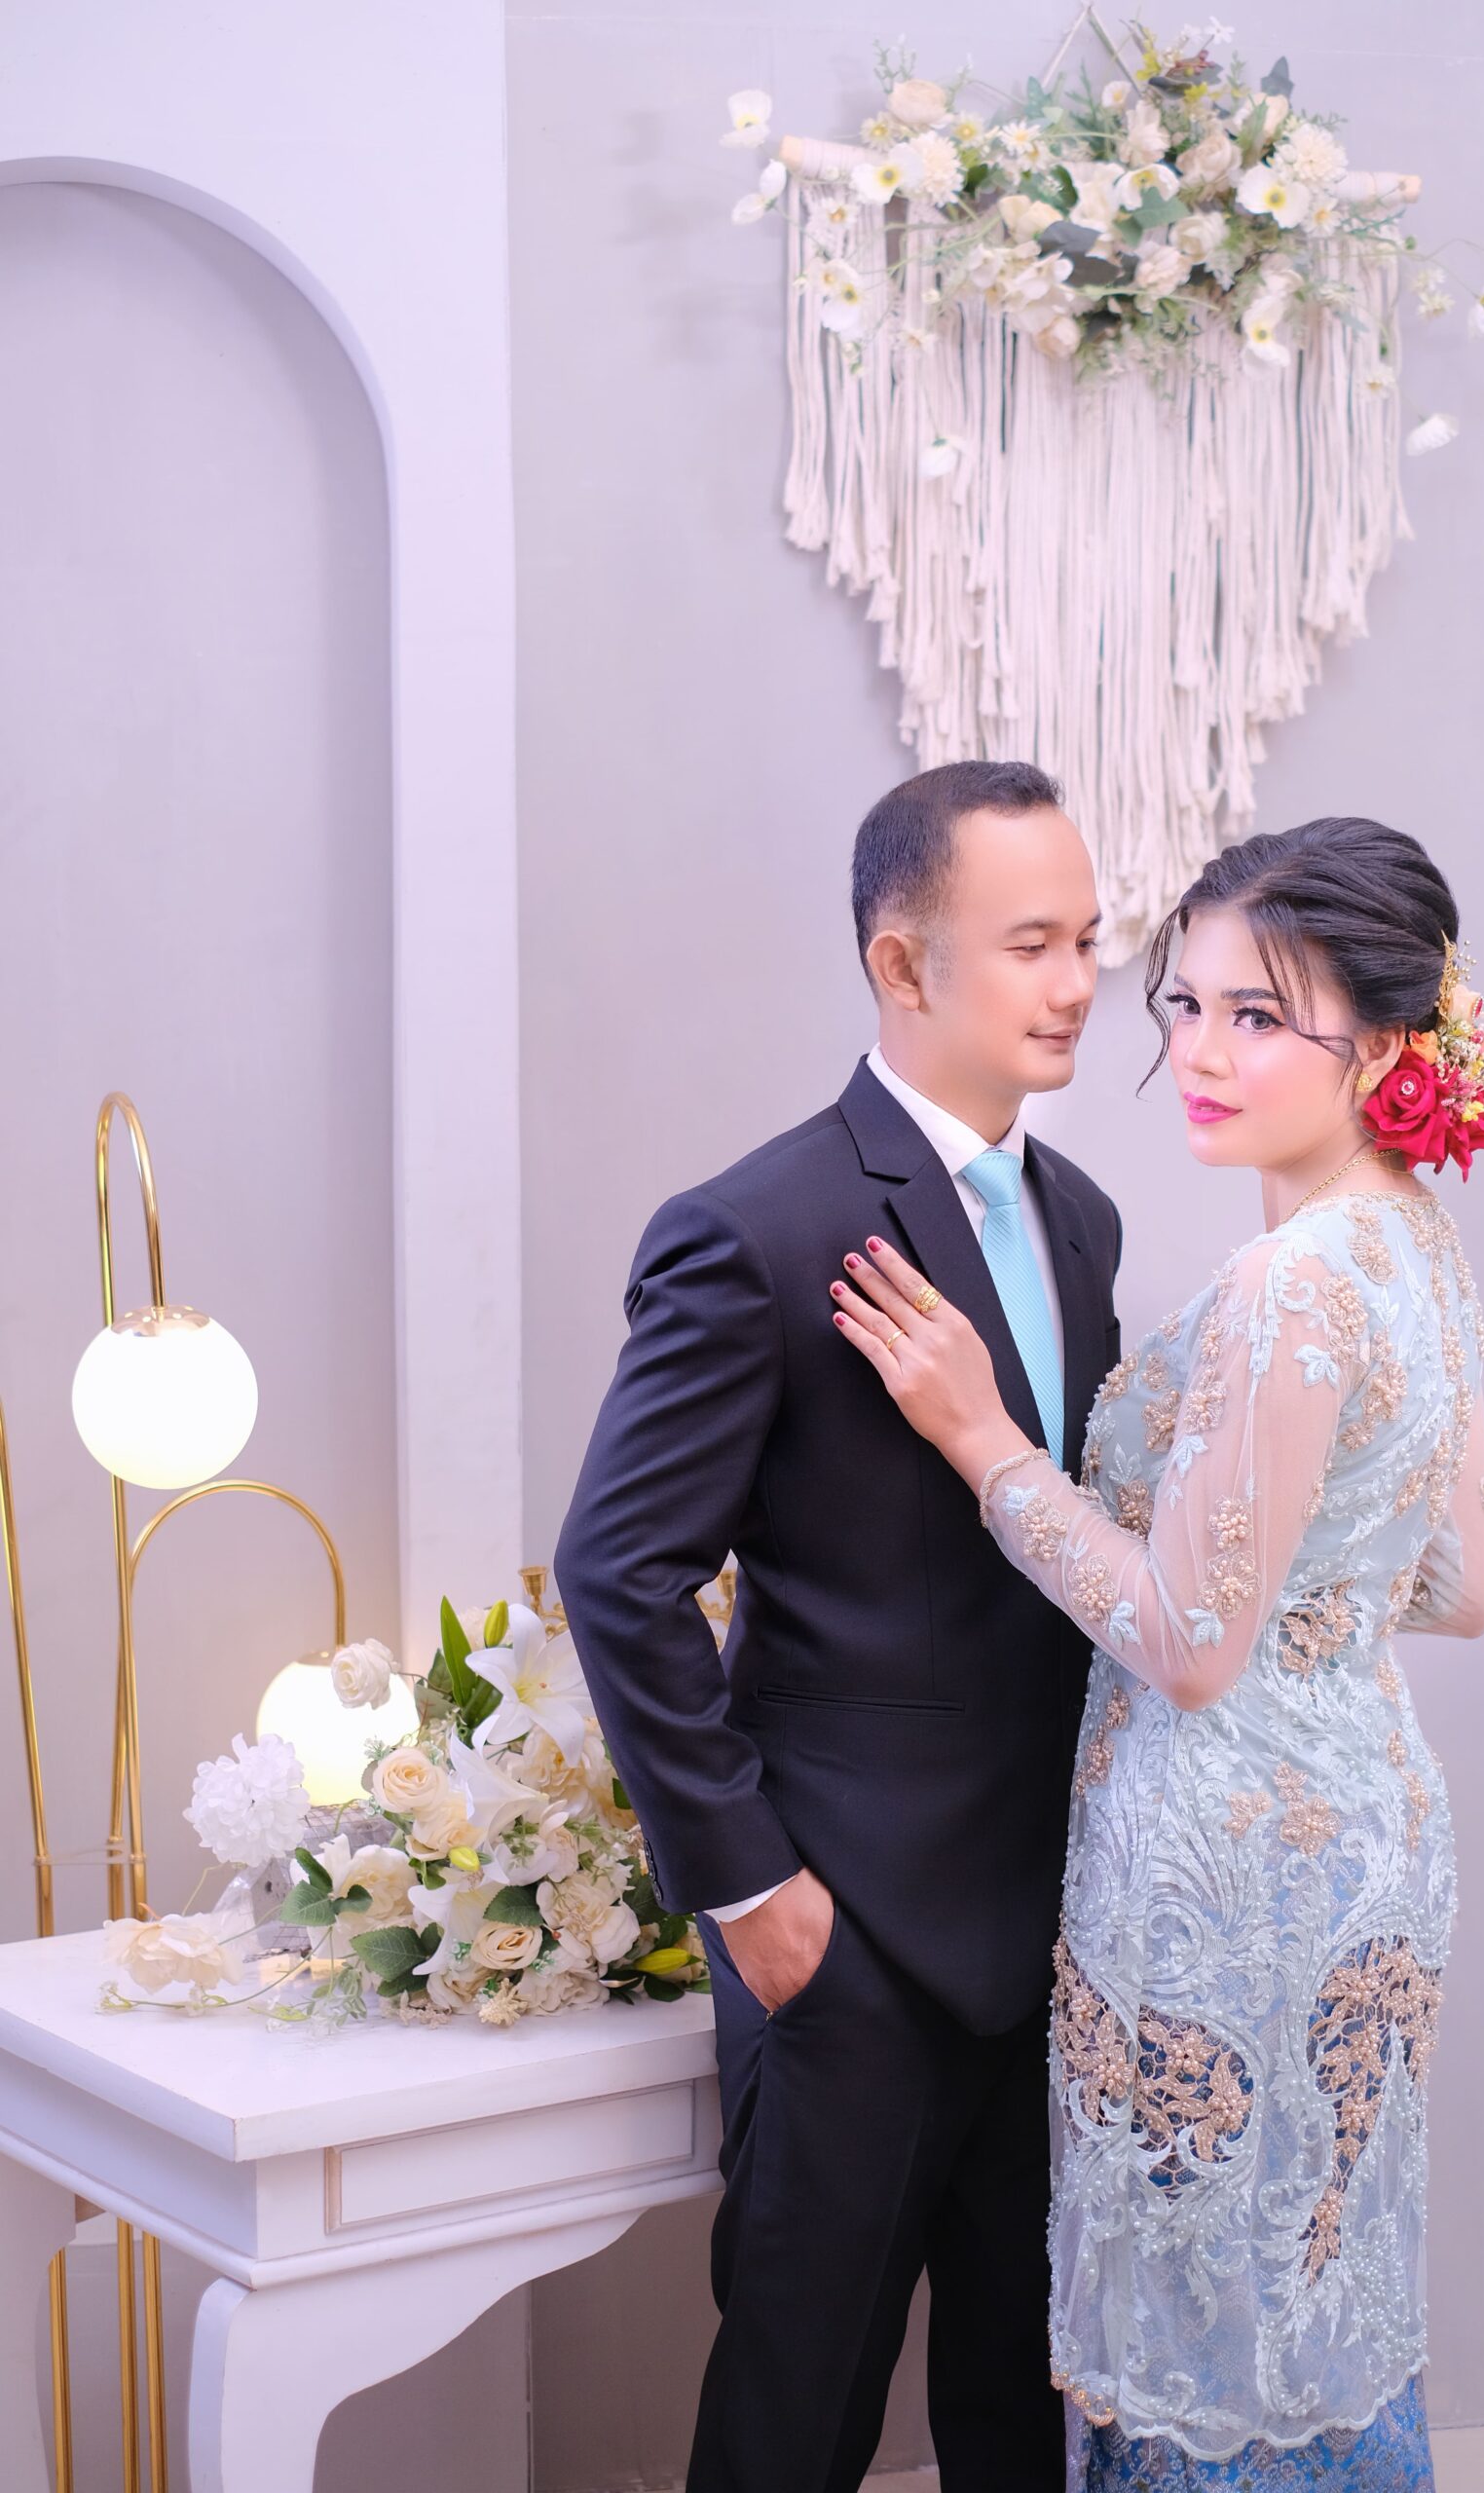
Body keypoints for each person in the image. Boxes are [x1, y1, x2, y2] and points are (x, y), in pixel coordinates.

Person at [831, 817, 1484, 2490]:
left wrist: (986, 1440)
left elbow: (1191, 1650)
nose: (1199, 1053)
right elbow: (1462, 1580)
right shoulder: (1415, 1243)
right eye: (1185, 1005)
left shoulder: (1291, 1282)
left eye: (1258, 1017)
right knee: (1317, 2276)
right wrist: (1305, 1597)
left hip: (1223, 1865)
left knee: (1213, 2316)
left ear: (1387, 1045)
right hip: (1372, 1830)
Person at [554, 760, 1123, 2493]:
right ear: (900, 962)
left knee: (1021, 2414)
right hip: (846, 1929)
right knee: (796, 2416)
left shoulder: (1082, 1217)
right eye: (1032, 943)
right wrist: (756, 1895)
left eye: (1090, 939)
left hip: (1055, 1922)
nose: (1079, 982)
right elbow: (618, 1571)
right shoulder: (757, 1229)